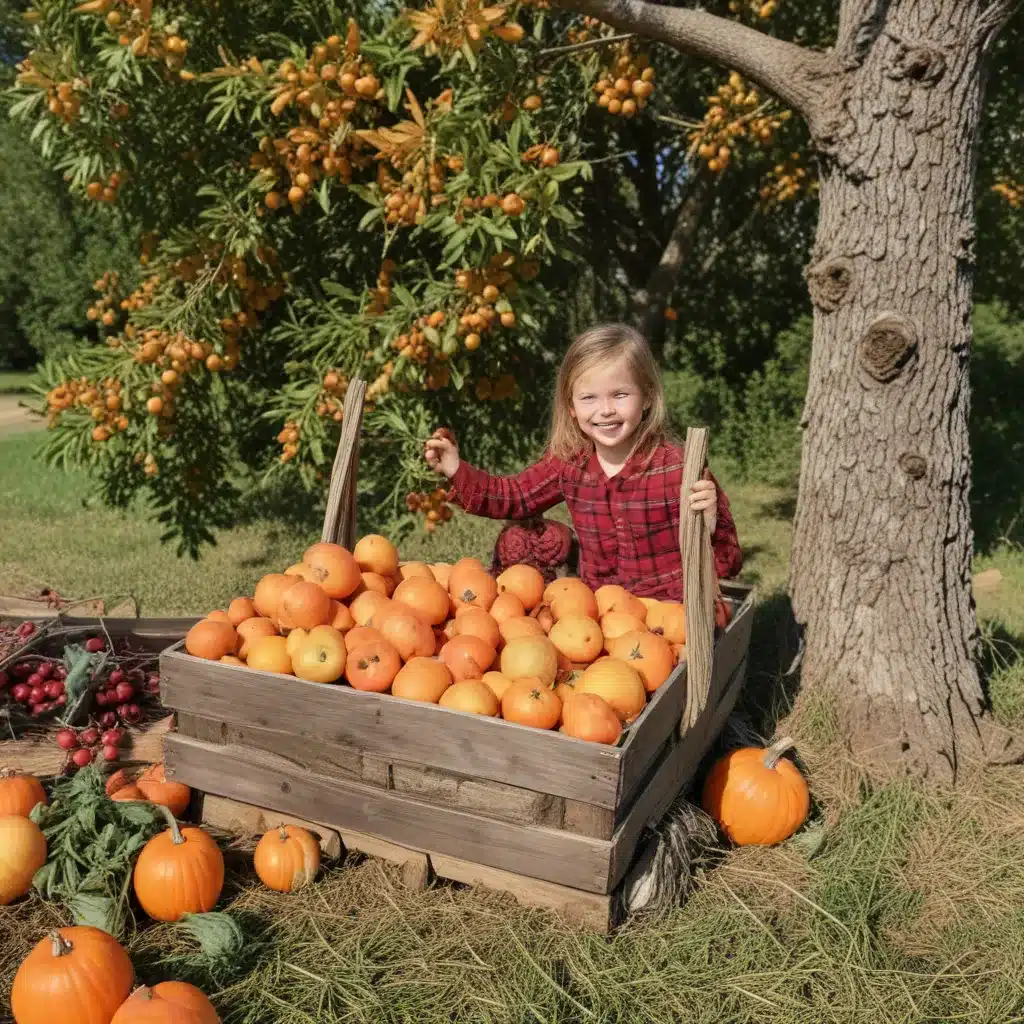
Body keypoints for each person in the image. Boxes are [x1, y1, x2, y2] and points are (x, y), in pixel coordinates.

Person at [424, 323, 742, 599]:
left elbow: (728, 562)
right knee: (523, 537)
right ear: (572, 406)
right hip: (600, 610)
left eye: (620, 395)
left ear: (646, 396)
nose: (605, 410)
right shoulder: (570, 462)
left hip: (669, 611)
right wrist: (455, 468)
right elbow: (515, 496)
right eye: (589, 398)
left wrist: (712, 522)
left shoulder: (679, 468)